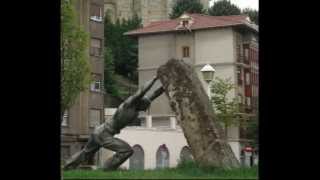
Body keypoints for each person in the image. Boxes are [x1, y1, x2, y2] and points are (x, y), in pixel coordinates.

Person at [63, 76, 164, 171]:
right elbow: (142, 91)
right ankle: (108, 168)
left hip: (100, 131)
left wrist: (165, 86)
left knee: (86, 152)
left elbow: (153, 94)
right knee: (127, 151)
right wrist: (155, 78)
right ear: (141, 103)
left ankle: (67, 167)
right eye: (146, 106)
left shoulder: (136, 108)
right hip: (104, 134)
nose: (146, 109)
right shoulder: (128, 105)